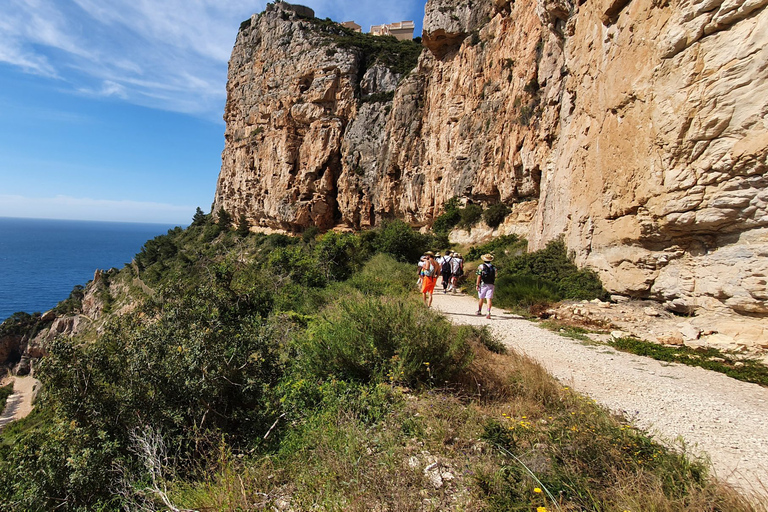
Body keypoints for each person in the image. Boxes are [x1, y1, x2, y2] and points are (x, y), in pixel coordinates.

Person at [475, 253, 496, 319]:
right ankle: (488, 312)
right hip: (491, 284)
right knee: (489, 298)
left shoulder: (481, 266)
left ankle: (479, 310)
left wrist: (477, 284)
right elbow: (495, 276)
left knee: (481, 298)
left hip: (483, 284)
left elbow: (479, 276)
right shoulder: (494, 267)